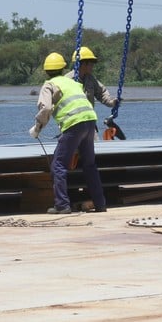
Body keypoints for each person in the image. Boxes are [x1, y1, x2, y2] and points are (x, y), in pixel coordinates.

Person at [29, 52, 107, 214]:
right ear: (64, 68)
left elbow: (46, 108)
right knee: (90, 165)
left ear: (45, 71)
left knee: (58, 165)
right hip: (90, 121)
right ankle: (100, 204)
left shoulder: (49, 85)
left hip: (74, 124)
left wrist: (37, 129)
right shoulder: (71, 82)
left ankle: (62, 205)